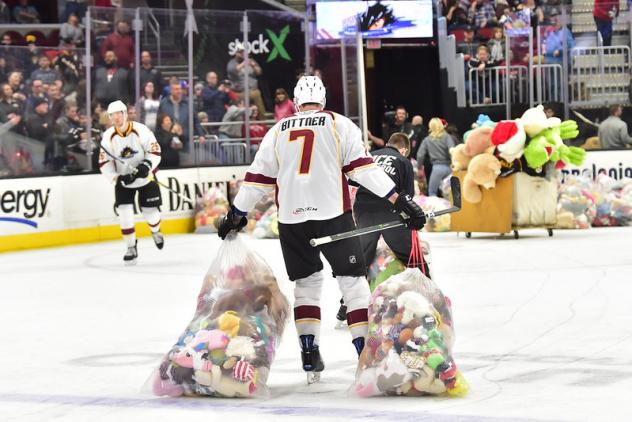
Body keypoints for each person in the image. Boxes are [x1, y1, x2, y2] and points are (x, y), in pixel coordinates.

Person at [217, 76, 426, 382]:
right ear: (324, 99)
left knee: (307, 286)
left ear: (296, 102)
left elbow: (257, 180)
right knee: (353, 284)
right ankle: (364, 355)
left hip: (291, 220)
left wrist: (236, 213)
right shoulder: (339, 124)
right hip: (332, 214)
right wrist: (400, 200)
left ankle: (308, 349)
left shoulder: (277, 131)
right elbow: (363, 170)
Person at [335, 133, 430, 325]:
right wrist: (414, 217)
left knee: (362, 258)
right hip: (389, 208)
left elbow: (352, 181)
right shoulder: (403, 161)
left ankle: (346, 306)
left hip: (363, 208)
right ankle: (431, 298)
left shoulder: (371, 156)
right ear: (403, 149)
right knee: (410, 255)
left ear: (388, 144)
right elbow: (407, 197)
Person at [98, 100, 164, 264]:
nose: (117, 118)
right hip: (124, 181)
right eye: (113, 115)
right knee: (125, 215)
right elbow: (104, 162)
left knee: (150, 213)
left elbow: (154, 150)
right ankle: (130, 247)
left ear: (125, 114)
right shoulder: (108, 137)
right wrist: (117, 177)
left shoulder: (141, 130)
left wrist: (146, 166)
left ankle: (155, 231)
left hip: (144, 176)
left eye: (119, 113)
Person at [157, 79, 205, 149]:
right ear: (171, 91)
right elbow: (159, 121)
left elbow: (196, 121)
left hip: (186, 139)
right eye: (176, 89)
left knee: (187, 159)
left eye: (180, 89)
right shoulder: (164, 103)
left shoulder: (188, 103)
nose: (179, 91)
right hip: (168, 140)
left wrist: (201, 135)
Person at [417, 117, 456, 196]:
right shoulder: (447, 137)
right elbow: (453, 151)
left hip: (437, 168)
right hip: (449, 168)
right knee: (452, 193)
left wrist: (419, 168)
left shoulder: (427, 140)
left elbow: (420, 155)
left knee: (432, 192)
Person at [226, 44, 266, 115]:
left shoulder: (251, 61)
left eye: (244, 52)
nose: (242, 54)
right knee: (242, 113)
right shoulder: (232, 63)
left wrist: (253, 65)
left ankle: (263, 123)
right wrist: (244, 63)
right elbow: (233, 71)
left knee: (259, 108)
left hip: (253, 91)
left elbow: (259, 72)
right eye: (240, 52)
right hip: (240, 93)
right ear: (236, 53)